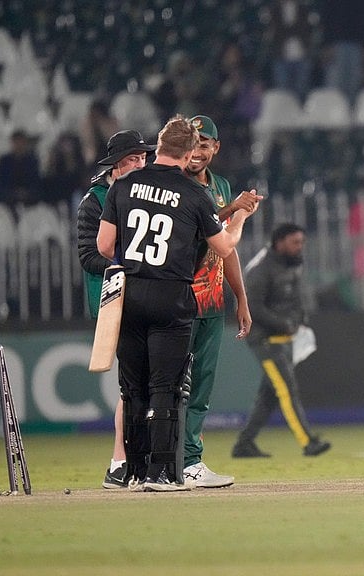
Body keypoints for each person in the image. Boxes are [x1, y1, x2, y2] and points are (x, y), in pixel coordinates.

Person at [97, 115, 254, 492]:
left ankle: (133, 472)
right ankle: (163, 473)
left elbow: (104, 246)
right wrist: (242, 216)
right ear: (186, 153)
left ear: (158, 146)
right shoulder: (194, 193)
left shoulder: (124, 184)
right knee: (166, 387)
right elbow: (225, 247)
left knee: (133, 388)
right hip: (172, 296)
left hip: (130, 294)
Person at [181, 115, 262, 488]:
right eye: (192, 142)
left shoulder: (222, 185)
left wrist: (240, 298)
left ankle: (191, 462)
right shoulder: (173, 181)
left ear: (215, 148)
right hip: (177, 299)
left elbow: (226, 248)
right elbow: (201, 224)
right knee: (167, 384)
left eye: (204, 144)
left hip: (211, 301)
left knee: (202, 385)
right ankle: (156, 461)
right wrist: (234, 210)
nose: (197, 152)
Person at [76, 129, 155, 489]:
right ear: (116, 166)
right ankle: (121, 461)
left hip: (149, 296)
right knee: (133, 384)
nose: (140, 165)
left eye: (142, 158)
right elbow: (89, 255)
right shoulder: (94, 201)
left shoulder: (149, 193)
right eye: (132, 160)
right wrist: (128, 267)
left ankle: (134, 461)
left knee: (147, 383)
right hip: (116, 299)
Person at [231, 223, 331, 458]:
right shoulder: (260, 269)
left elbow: (295, 296)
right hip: (265, 340)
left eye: (302, 242)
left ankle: (244, 444)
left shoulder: (292, 262)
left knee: (270, 394)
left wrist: (300, 318)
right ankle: (308, 442)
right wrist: (282, 323)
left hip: (285, 338)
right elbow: (250, 307)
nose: (300, 247)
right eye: (295, 242)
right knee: (287, 388)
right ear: (280, 242)